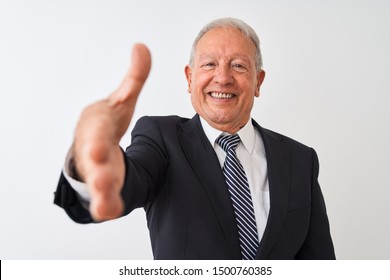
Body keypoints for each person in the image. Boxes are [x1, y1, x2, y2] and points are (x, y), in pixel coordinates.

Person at [54, 17, 335, 260]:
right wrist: (91, 163)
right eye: (209, 64)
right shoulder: (161, 139)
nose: (222, 78)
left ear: (258, 82)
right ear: (189, 78)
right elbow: (132, 180)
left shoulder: (300, 160)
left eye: (238, 66)